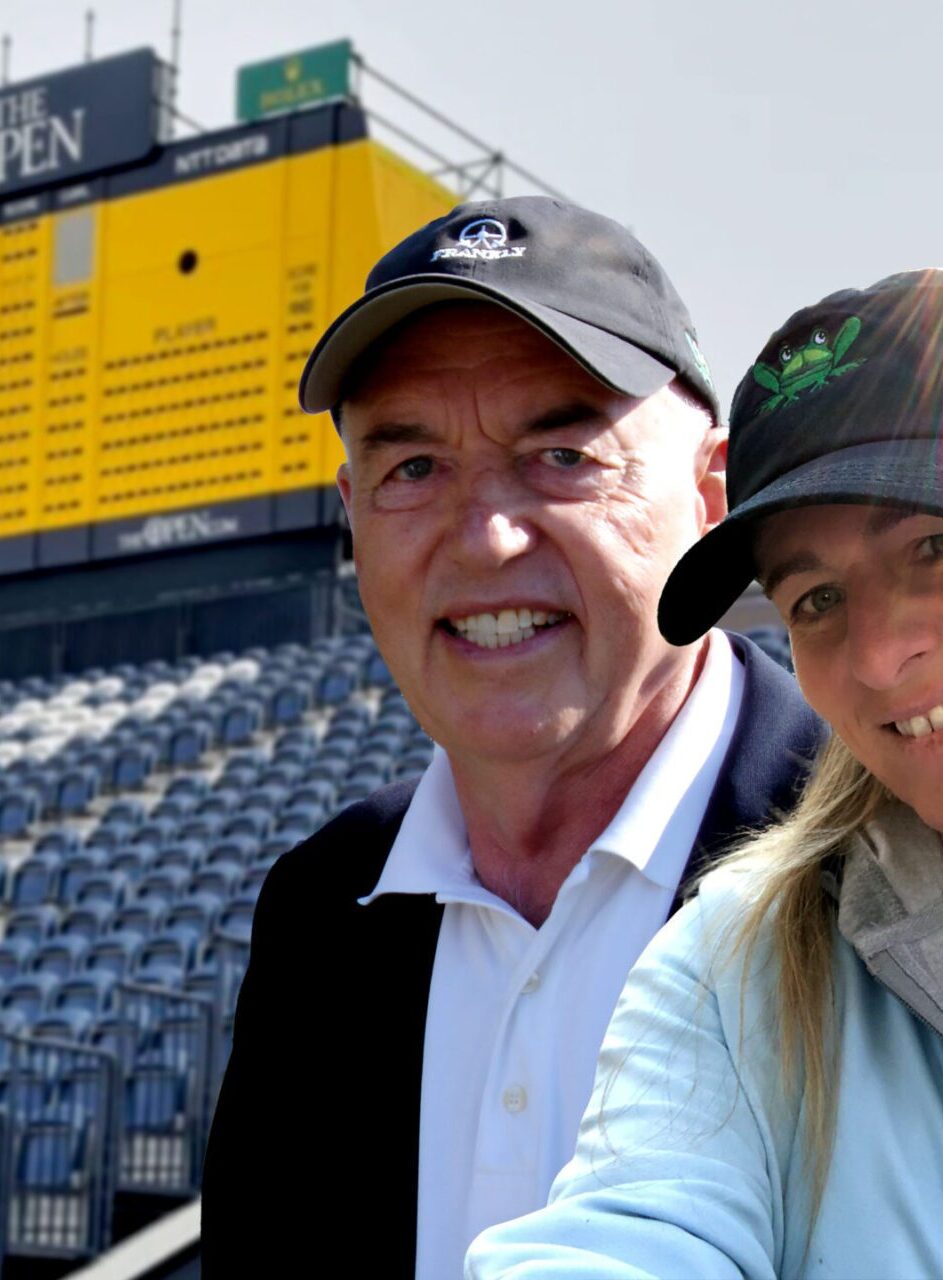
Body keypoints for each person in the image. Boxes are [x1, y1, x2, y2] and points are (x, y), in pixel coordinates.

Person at [200, 196, 826, 1279]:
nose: (485, 538)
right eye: (411, 469)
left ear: (711, 494)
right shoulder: (318, 906)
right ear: (351, 515)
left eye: (563, 456)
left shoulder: (896, 852)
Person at [465, 267, 943, 1280]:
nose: (878, 651)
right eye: (812, 598)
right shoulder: (739, 956)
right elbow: (621, 1244)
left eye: (937, 539)